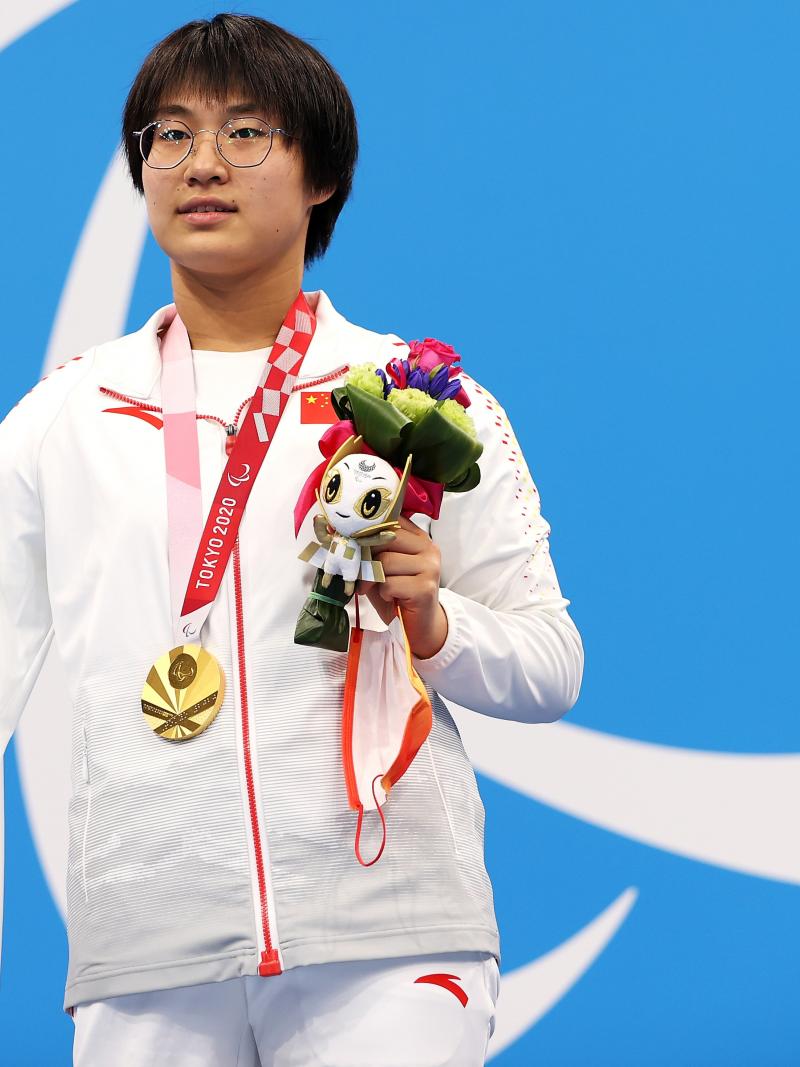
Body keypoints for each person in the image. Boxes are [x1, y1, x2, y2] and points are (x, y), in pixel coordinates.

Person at [0, 12, 584, 1066]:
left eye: (246, 133)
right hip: (148, 952)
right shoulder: (62, 419)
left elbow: (549, 665)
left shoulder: (422, 408)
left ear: (321, 175)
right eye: (167, 136)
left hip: (389, 936)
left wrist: (434, 623)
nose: (200, 165)